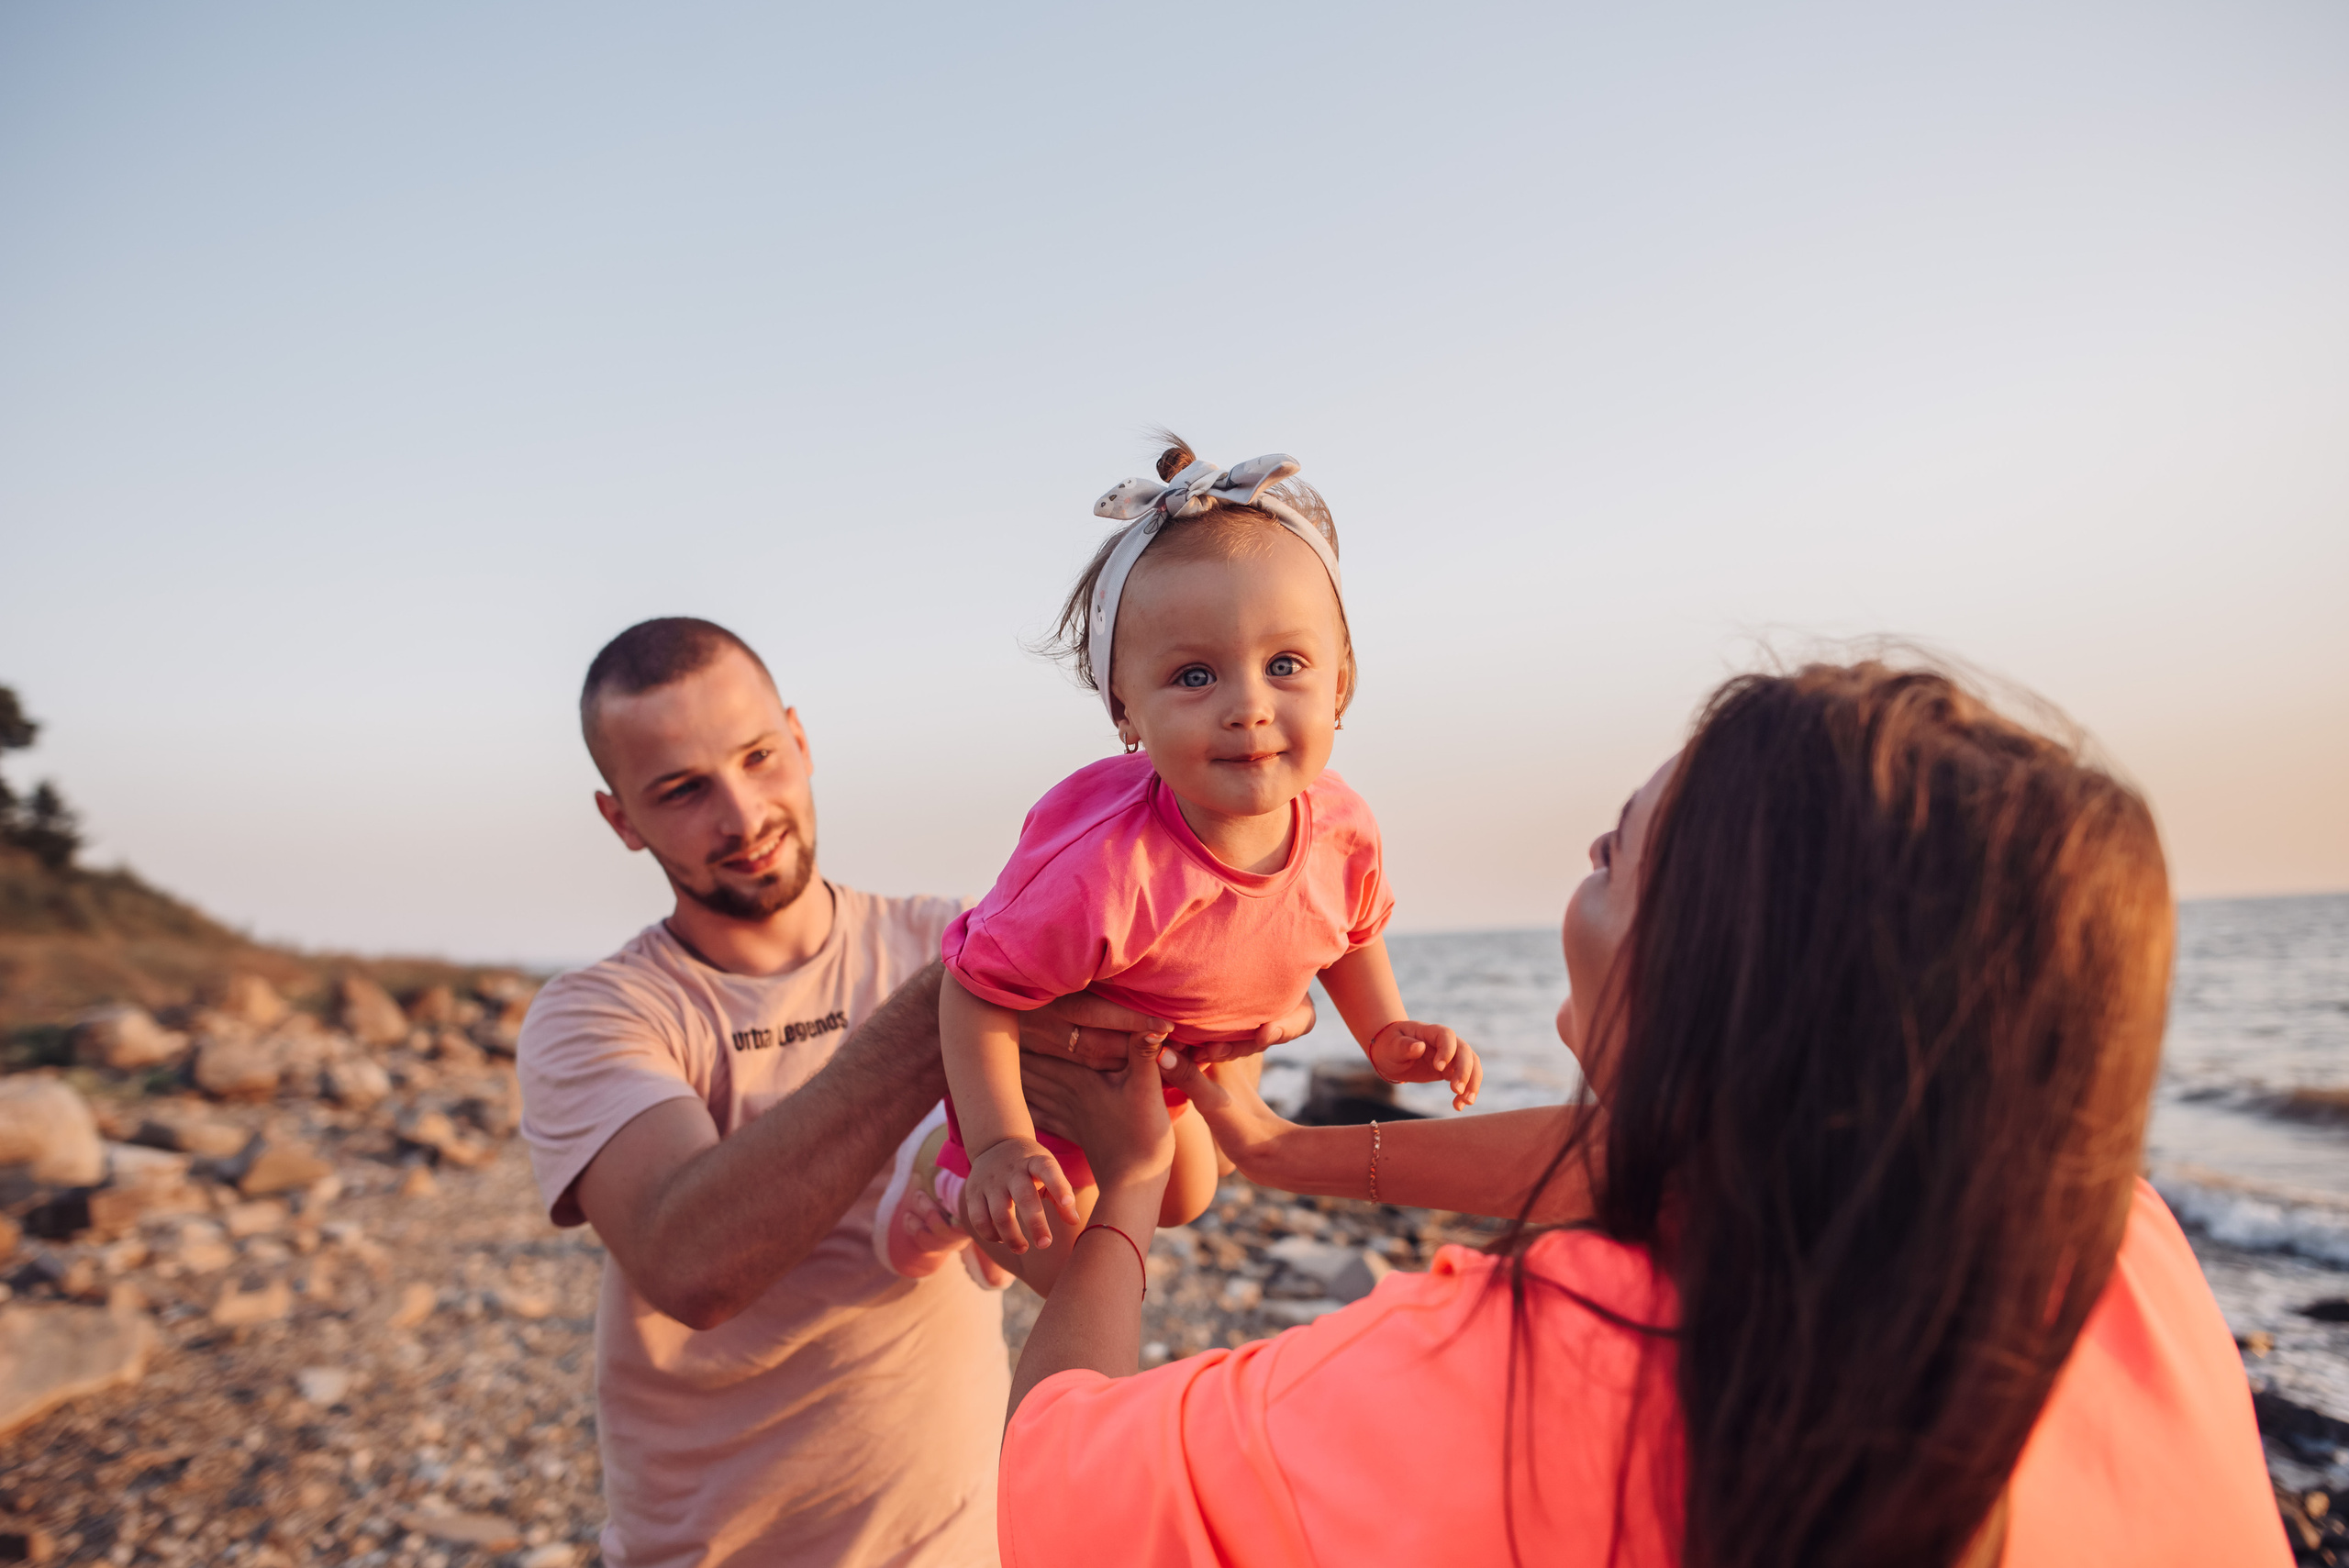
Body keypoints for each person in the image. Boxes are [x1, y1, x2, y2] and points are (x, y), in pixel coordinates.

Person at [997, 660, 2291, 1567]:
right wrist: (1276, 1152)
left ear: (1715, 969)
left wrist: (1128, 1184)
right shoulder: (2124, 1250)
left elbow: (1048, 1484)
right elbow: (1664, 1158)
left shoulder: (1489, 1377)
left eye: (1614, 857)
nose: (1584, 873)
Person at [516, 617, 1209, 1568]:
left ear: (799, 740)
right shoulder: (598, 1013)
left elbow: (1091, 1233)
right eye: (681, 790)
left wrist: (1207, 1029)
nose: (742, 812)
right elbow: (689, 1261)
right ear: (620, 818)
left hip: (962, 1540)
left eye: (759, 757)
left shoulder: (945, 935)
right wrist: (952, 1004)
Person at [934, 438, 1482, 1296]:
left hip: (1165, 1063)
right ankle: (954, 1191)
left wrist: (1384, 1033)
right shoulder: (1107, 870)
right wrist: (1002, 1141)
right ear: (1128, 713)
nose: (1249, 706)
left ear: (1340, 684)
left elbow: (1350, 931)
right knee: (1071, 1266)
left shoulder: (1342, 825)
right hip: (1048, 1094)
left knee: (1188, 1198)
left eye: (1286, 665)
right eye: (1195, 675)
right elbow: (974, 991)